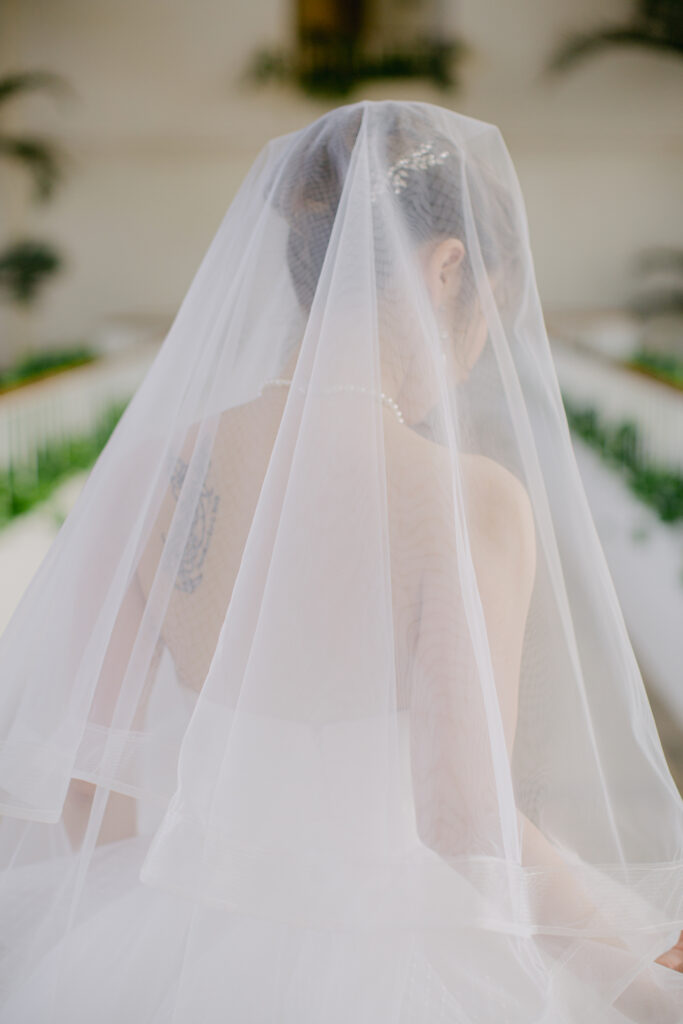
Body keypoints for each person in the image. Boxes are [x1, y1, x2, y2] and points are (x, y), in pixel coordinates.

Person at [0, 99, 682, 1022]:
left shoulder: (156, 470)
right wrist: (635, 980)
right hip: (400, 962)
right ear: (446, 269)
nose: (477, 346)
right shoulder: (467, 502)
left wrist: (159, 922)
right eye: (487, 305)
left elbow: (86, 780)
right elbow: (463, 819)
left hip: (176, 937)